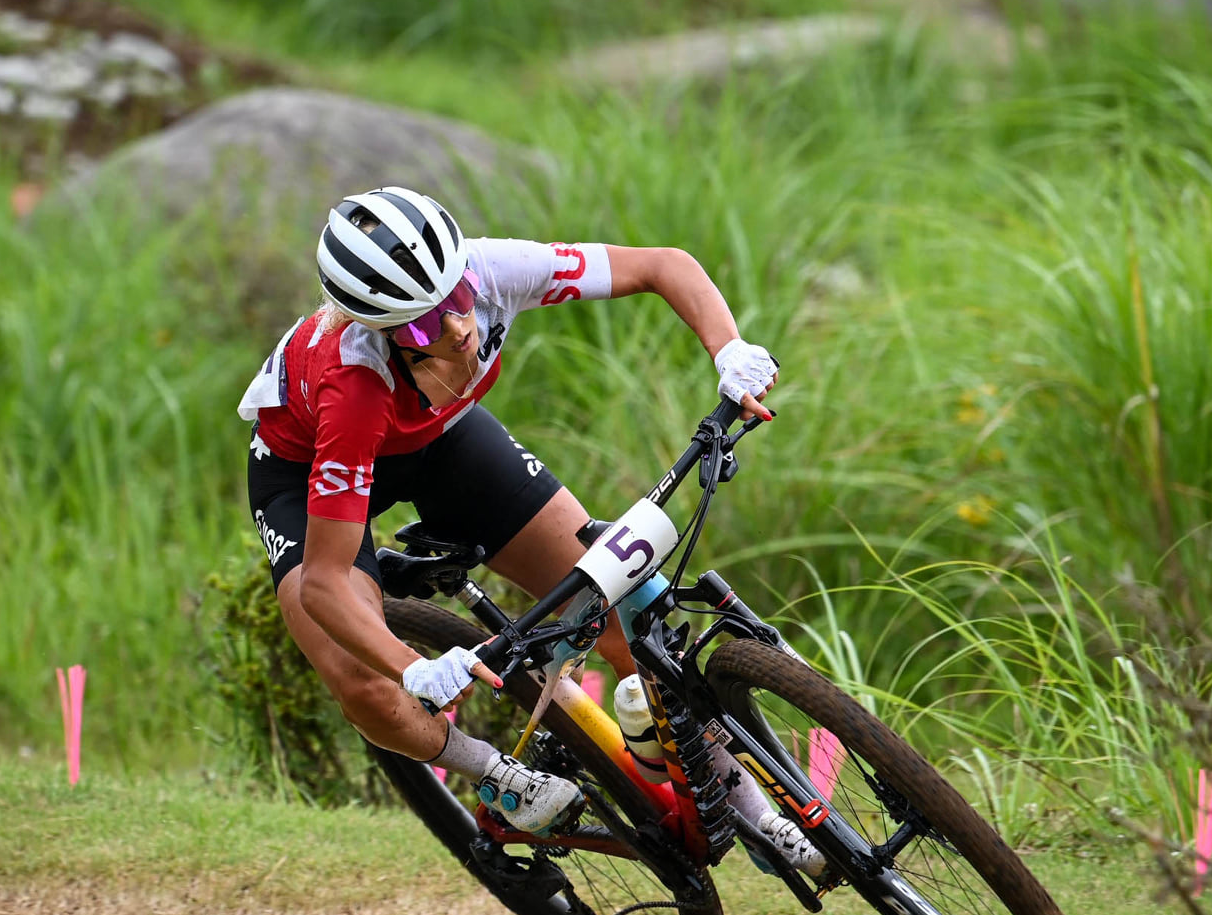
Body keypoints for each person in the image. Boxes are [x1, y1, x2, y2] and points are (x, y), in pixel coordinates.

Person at [239, 185, 821, 875]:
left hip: (443, 436)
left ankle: (750, 812)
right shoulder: (354, 386)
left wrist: (728, 350)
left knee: (622, 611)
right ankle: (493, 773)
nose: (457, 329)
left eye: (456, 299)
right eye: (423, 330)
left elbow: (662, 265)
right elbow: (326, 583)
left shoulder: (492, 271)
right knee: (363, 680)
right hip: (306, 469)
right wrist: (416, 668)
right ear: (386, 335)